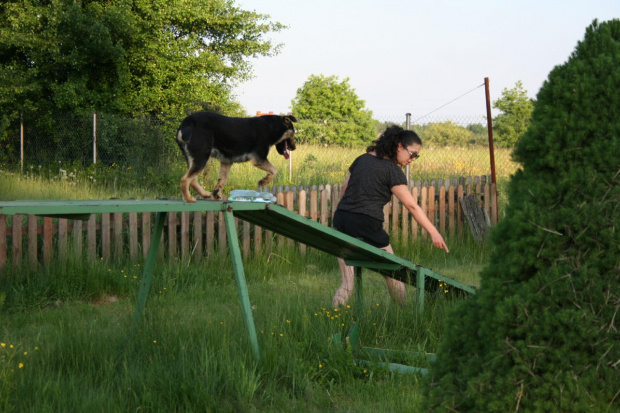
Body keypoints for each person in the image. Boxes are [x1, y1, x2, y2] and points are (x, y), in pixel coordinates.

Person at [332, 125, 449, 308]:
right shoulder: (391, 170)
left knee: (347, 282)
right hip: (367, 222)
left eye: (416, 156)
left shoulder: (362, 159)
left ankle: (334, 321)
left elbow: (344, 188)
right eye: (412, 154)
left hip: (341, 219)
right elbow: (411, 205)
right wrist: (433, 232)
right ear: (399, 146)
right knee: (393, 272)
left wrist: (348, 211)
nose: (413, 159)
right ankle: (403, 314)